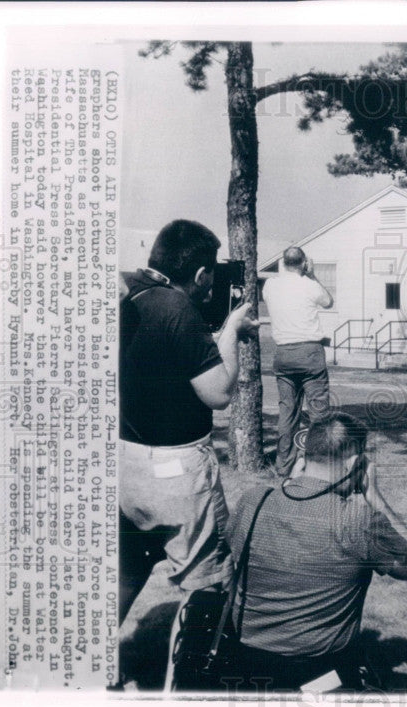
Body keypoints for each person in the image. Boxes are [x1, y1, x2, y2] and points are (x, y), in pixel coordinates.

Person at [118, 219, 258, 681]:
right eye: (210, 278)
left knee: (128, 568)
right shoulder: (180, 311)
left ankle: (91, 665)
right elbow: (218, 392)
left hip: (124, 462)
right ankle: (192, 683)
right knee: (211, 581)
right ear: (200, 276)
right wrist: (233, 330)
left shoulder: (132, 293)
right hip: (177, 472)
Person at [228, 412, 407, 691]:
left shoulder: (252, 501)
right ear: (356, 463)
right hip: (318, 671)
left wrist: (292, 483)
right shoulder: (357, 519)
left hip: (244, 662)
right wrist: (375, 497)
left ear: (304, 458)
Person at [261, 245, 334, 478]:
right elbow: (328, 302)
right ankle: (317, 466)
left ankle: (284, 466)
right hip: (310, 352)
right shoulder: (309, 285)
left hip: (283, 353)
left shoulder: (270, 285)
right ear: (304, 263)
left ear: (283, 263)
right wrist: (311, 275)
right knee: (318, 412)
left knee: (287, 413)